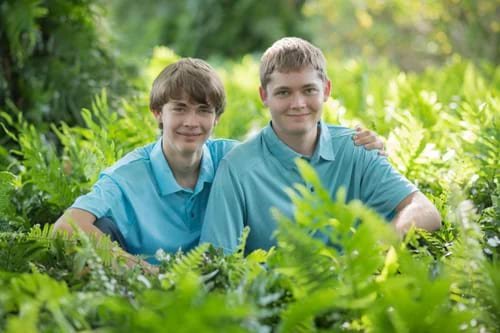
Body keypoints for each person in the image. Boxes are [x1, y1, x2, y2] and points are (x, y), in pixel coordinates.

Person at [53, 58, 386, 267]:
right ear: (158, 113)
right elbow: (65, 228)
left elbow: (292, 157)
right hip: (146, 288)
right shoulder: (127, 174)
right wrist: (140, 270)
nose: (191, 122)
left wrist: (371, 149)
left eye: (203, 111)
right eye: (179, 109)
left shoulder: (233, 157)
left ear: (217, 118)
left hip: (218, 287)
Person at [199, 37, 441, 255]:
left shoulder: (357, 148)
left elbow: (425, 211)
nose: (298, 103)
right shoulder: (237, 168)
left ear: (326, 90)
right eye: (283, 92)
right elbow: (220, 261)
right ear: (264, 96)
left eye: (308, 90)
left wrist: (374, 251)